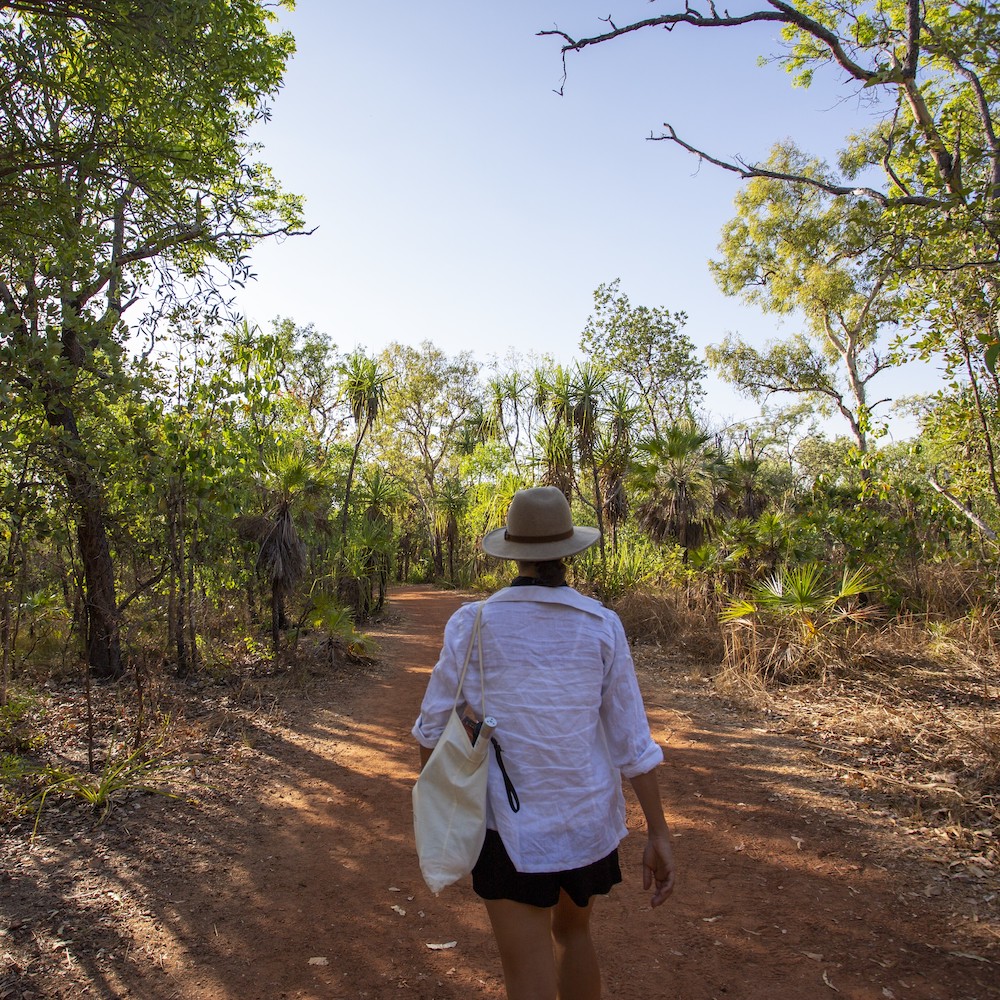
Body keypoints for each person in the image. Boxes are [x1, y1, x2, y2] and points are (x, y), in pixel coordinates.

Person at [412, 486, 675, 1000]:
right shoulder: (602, 625)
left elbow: (430, 727)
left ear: (512, 551)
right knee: (574, 934)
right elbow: (631, 741)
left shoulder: (474, 623)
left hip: (505, 829)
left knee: (525, 961)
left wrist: (439, 804)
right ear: (567, 551)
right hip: (586, 821)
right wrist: (659, 833)